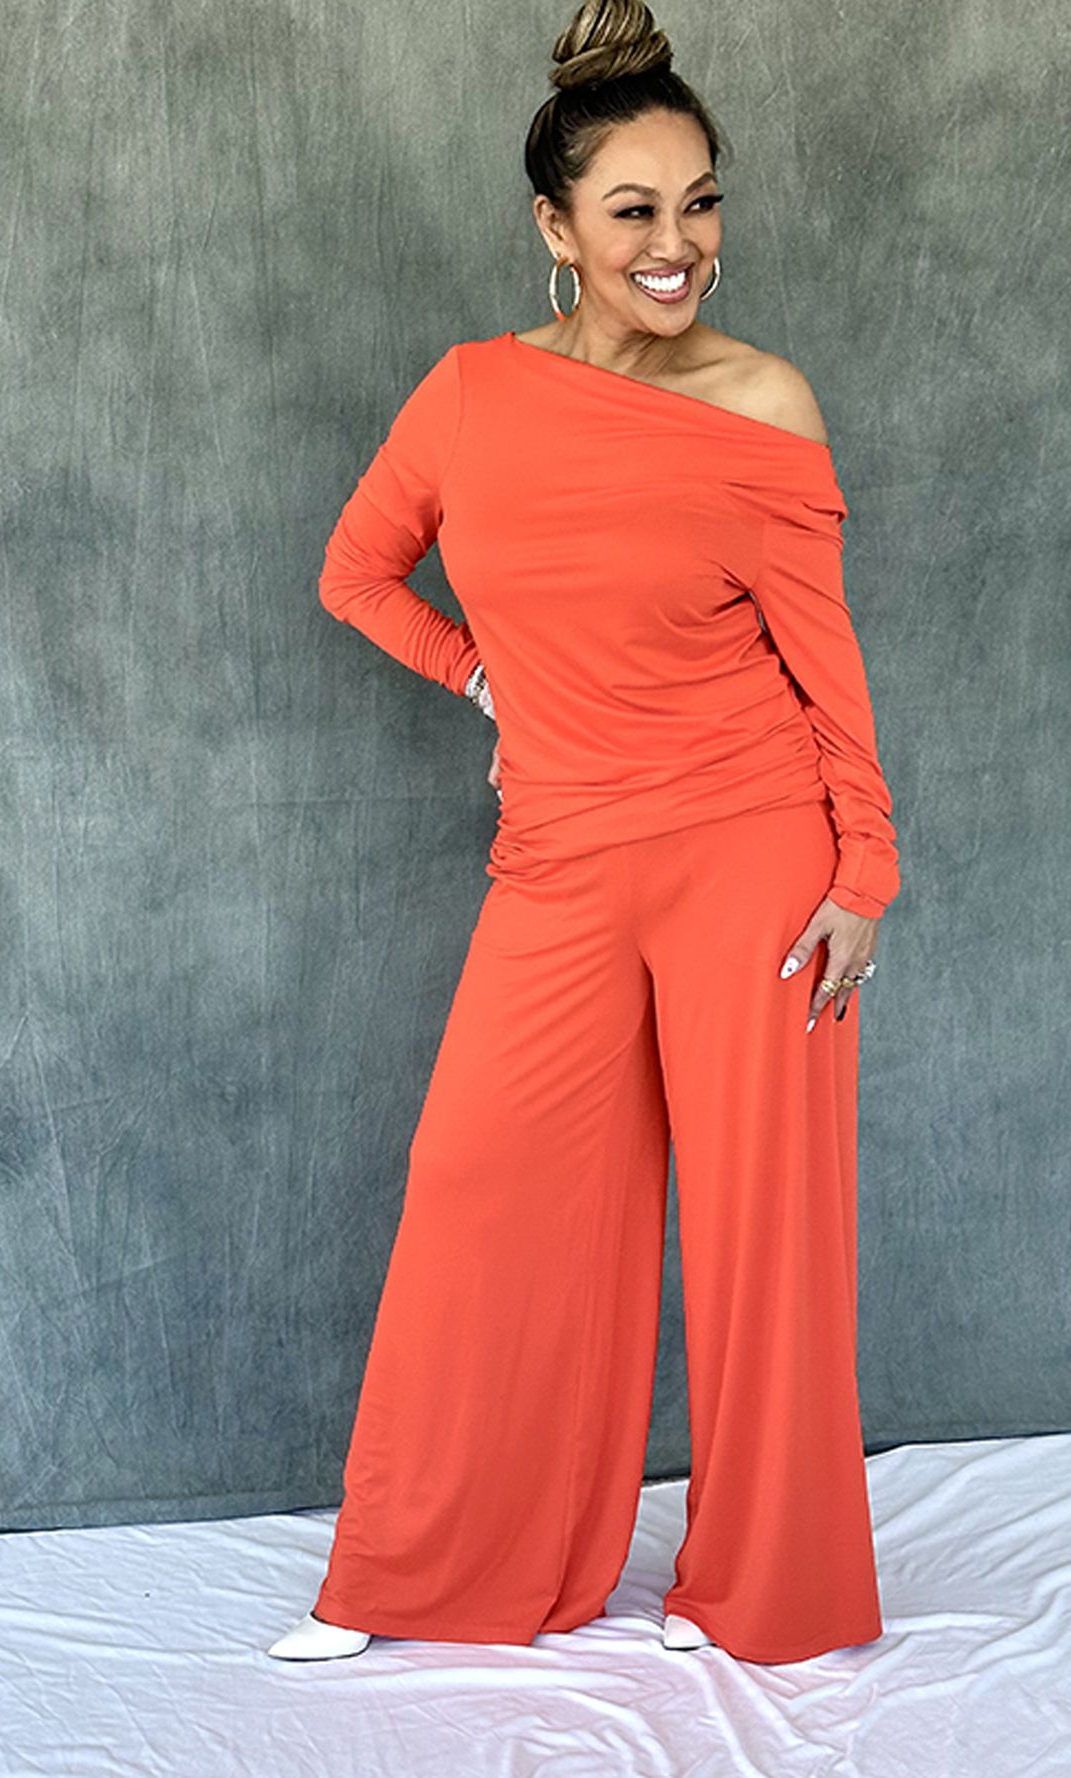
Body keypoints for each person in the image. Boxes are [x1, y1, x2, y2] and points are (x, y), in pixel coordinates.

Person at [271, 0, 899, 1667]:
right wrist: (481, 674)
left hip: (754, 850)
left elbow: (828, 663)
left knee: (764, 1236)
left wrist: (866, 869)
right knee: (481, 1188)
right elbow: (355, 573)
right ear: (556, 230)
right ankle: (424, 1572)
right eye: (633, 211)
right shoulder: (471, 396)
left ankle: (761, 1587)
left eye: (700, 202)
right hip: (557, 856)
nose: (676, 243)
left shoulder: (763, 400)